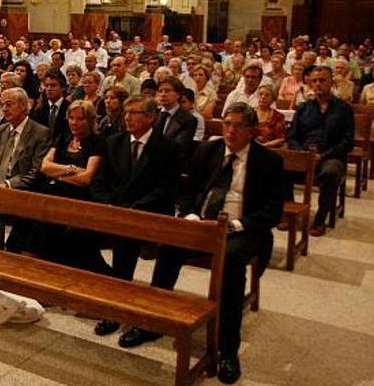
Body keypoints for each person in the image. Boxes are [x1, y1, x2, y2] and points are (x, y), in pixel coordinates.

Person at [151, 102, 284, 384]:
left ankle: (227, 349)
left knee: (231, 261)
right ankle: (155, 321)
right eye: (227, 124)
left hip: (242, 228)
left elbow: (272, 212)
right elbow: (188, 191)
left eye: (238, 125)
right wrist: (188, 215)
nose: (231, 131)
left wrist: (236, 225)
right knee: (169, 246)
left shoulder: (268, 161)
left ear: (252, 131)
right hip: (202, 222)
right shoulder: (208, 150)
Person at [91, 94, 179, 346]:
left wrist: (134, 209)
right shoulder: (114, 141)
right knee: (79, 237)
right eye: (126, 112)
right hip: (118, 213)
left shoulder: (167, 147)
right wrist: (107, 203)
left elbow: (167, 188)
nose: (127, 117)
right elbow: (100, 180)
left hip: (151, 215)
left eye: (135, 113)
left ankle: (149, 318)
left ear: (151, 117)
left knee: (159, 256)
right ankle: (115, 309)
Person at [0, 87, 51, 251]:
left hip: (20, 191)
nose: (4, 109)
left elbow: (36, 171)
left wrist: (7, 185)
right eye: (2, 104)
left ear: (23, 106)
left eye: (9, 104)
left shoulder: (40, 133)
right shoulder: (0, 130)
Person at [287, 66, 354, 236]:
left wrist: (322, 156)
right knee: (278, 166)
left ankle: (320, 219)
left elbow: (347, 142)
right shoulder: (304, 108)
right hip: (305, 155)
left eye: (322, 80)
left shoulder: (344, 109)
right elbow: (292, 136)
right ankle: (289, 214)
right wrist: (302, 154)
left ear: (331, 82)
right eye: (314, 81)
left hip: (330, 156)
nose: (318, 84)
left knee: (331, 171)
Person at [37, 99, 104, 263]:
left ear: (90, 120)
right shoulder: (63, 138)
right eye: (71, 118)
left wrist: (57, 174)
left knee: (65, 232)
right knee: (32, 221)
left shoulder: (97, 142)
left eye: (80, 118)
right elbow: (45, 167)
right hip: (54, 193)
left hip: (79, 198)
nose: (75, 122)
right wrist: (71, 169)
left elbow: (87, 177)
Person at [30, 69, 70, 143]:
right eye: (47, 85)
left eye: (53, 85)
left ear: (63, 87)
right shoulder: (40, 110)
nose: (49, 89)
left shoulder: (70, 108)